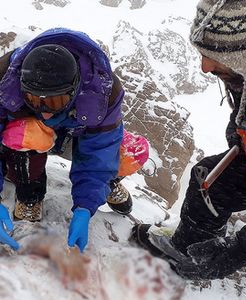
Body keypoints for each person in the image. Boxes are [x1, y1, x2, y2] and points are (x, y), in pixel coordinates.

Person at [132, 0, 246, 280]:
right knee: (207, 182)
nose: (205, 67)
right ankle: (190, 250)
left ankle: (205, 258)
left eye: (215, 56)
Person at [0, 28, 149, 252]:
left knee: (130, 152)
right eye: (33, 99)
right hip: (36, 133)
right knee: (26, 135)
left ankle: (108, 185)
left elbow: (101, 150)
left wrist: (85, 207)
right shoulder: (4, 78)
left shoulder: (102, 90)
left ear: (74, 89)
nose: (45, 111)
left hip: (81, 130)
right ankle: (29, 190)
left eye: (55, 101)